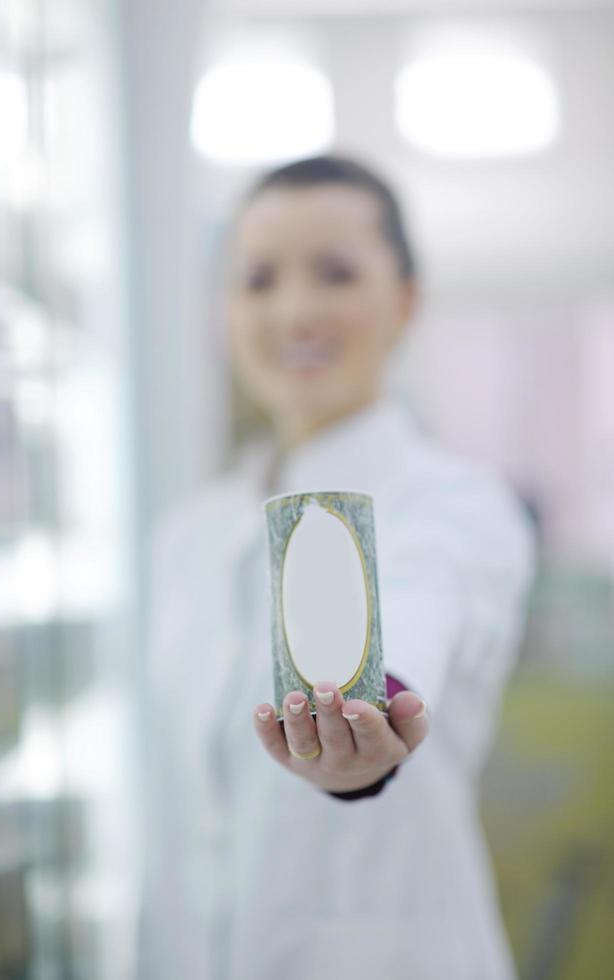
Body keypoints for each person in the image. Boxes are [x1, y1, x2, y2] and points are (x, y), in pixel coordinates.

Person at [138, 155, 534, 980]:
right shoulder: (187, 534)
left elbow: (422, 611)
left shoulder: (457, 506)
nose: (296, 309)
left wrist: (368, 733)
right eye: (258, 279)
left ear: (406, 301)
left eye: (336, 272)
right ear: (225, 310)